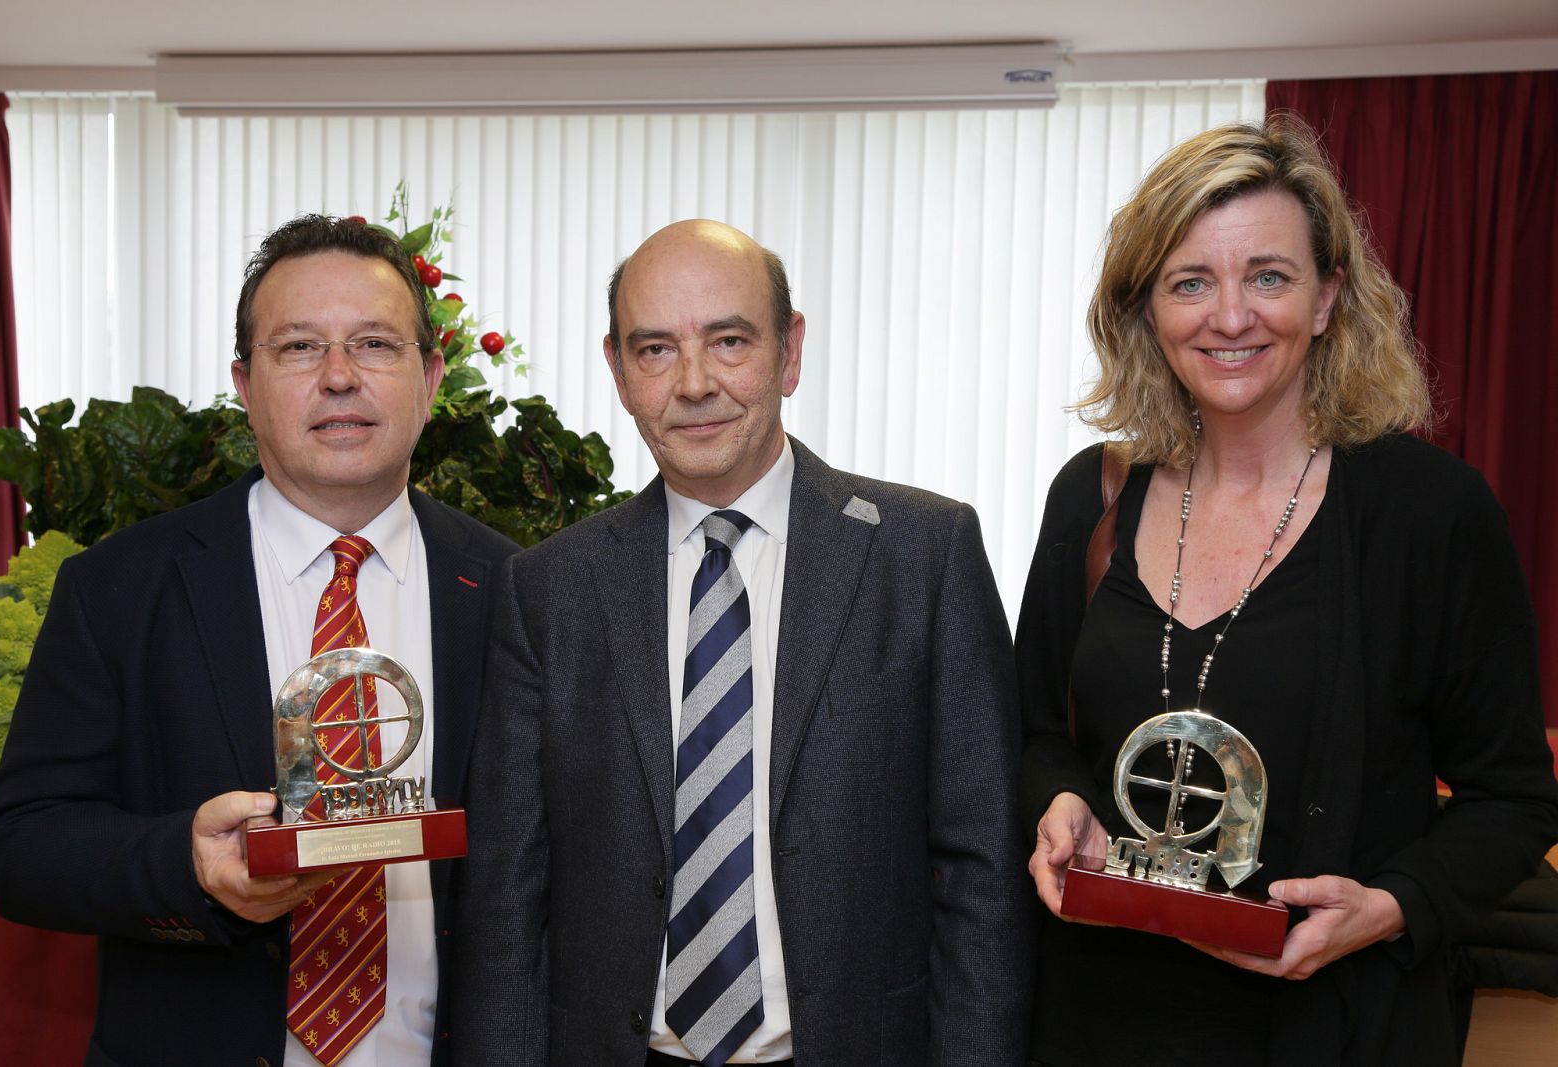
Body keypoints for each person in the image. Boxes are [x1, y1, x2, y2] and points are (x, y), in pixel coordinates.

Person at [1016, 116, 1558, 1065]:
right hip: (1102, 1018)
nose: (1231, 316)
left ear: (1328, 297)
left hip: (1336, 1028)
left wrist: (1389, 908)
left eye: (1268, 275)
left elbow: (1513, 800)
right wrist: (1059, 802)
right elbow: (1036, 735)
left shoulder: (1432, 515)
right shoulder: (1091, 496)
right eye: (1192, 282)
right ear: (1148, 310)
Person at [451, 219, 1030, 1066]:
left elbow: (985, 874)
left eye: (728, 341)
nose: (693, 383)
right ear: (617, 370)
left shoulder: (922, 554)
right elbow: (506, 894)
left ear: (790, 353)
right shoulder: (550, 589)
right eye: (654, 350)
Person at [0, 215, 518, 1067]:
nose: (339, 377)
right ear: (244, 382)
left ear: (431, 376)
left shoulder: (516, 589)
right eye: (299, 347)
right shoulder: (121, 588)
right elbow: (20, 849)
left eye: (375, 344)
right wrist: (183, 861)